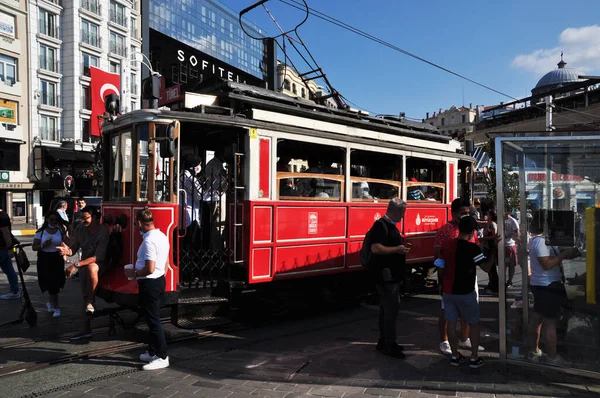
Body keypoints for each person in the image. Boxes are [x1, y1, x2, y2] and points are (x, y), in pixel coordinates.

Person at [434, 198, 484, 355]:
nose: (466, 216)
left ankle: (465, 337)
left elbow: (476, 248)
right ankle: (444, 340)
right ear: (453, 213)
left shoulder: (472, 230)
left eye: (468, 213)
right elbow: (438, 257)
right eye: (463, 213)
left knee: (468, 309)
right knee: (447, 312)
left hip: (469, 277)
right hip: (451, 278)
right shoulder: (444, 231)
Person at [527, 214, 578, 367]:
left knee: (538, 317)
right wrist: (563, 255)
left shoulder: (541, 241)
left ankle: (534, 350)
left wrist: (567, 254)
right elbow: (546, 264)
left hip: (541, 284)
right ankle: (552, 357)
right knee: (549, 322)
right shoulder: (540, 242)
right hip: (547, 285)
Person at [124, 207, 170, 370]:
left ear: (139, 223)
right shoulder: (162, 236)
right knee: (151, 318)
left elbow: (150, 268)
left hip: (150, 282)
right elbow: (164, 263)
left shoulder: (149, 240)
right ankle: (152, 352)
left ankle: (162, 356)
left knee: (153, 320)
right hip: (158, 281)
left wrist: (134, 273)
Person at [57, 206, 110, 340]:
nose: (83, 221)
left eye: (86, 218)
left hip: (99, 264)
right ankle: (85, 328)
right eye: (81, 218)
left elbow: (98, 258)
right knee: (84, 297)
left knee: (92, 267)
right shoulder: (80, 229)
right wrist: (67, 251)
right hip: (84, 264)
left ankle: (91, 301)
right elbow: (74, 248)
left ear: (95, 217)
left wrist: (75, 265)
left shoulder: (103, 232)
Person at [370, 198, 410, 359]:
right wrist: (397, 249)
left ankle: (384, 341)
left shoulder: (389, 226)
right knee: (391, 310)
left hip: (390, 275)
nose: (403, 216)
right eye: (403, 213)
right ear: (397, 211)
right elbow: (375, 248)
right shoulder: (381, 226)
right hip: (387, 276)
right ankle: (389, 344)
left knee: (385, 309)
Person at [32, 211, 68, 317]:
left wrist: (66, 244)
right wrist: (43, 245)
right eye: (51, 219)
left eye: (56, 220)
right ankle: (52, 303)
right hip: (44, 258)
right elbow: (34, 247)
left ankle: (56, 306)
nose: (54, 222)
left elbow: (67, 242)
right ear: (47, 219)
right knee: (48, 282)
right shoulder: (41, 232)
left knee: (55, 284)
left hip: (57, 258)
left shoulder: (60, 230)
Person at [0, 207, 19, 300]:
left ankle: (15, 291)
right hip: (4, 249)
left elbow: (6, 232)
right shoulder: (3, 215)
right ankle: (15, 291)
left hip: (2, 248)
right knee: (9, 270)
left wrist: (10, 248)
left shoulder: (1, 216)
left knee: (9, 270)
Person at [479, 210, 499, 294]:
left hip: (492, 248)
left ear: (490, 216)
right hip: (487, 247)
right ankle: (491, 283)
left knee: (492, 268)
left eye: (487, 214)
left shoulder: (493, 224)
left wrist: (483, 239)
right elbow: (479, 222)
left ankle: (495, 286)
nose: (486, 215)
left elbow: (495, 236)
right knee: (490, 269)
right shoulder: (487, 223)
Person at [504, 210, 520, 287]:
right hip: (502, 245)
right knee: (503, 264)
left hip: (510, 245)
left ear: (508, 213)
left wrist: (509, 236)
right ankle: (502, 280)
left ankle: (510, 281)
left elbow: (517, 233)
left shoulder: (513, 221)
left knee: (511, 264)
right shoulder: (501, 219)